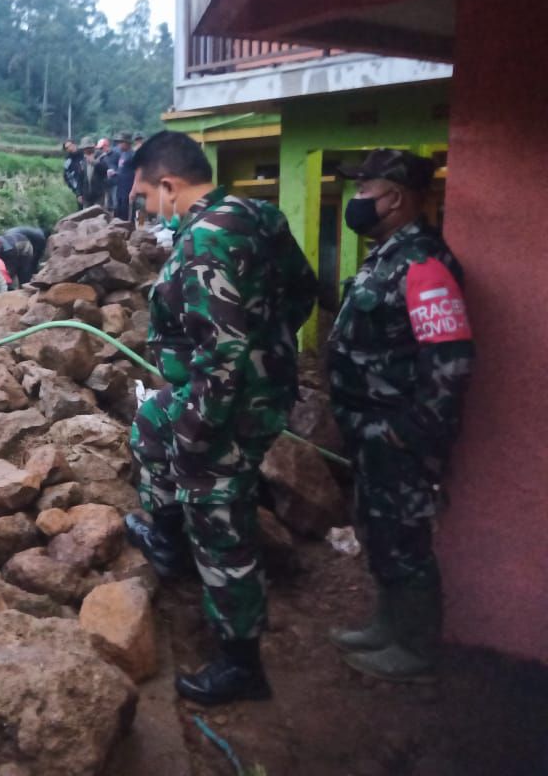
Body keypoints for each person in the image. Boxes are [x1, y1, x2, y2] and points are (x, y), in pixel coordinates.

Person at [125, 130, 317, 706]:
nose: (143, 208)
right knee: (150, 420)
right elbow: (303, 291)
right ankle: (167, 541)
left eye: (142, 197)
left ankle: (241, 664)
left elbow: (225, 353)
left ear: (168, 185)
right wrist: (273, 348)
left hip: (228, 405)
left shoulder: (206, 240)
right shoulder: (258, 216)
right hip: (254, 390)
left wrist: (197, 434)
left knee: (220, 520)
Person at [327, 149, 474, 682]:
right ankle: (386, 625)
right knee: (380, 531)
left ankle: (413, 648)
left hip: (398, 436)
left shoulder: (424, 265)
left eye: (363, 191)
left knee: (406, 539)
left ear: (394, 196)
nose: (356, 201)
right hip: (371, 432)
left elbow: (450, 361)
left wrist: (407, 432)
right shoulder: (389, 255)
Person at [78, 137, 107, 209]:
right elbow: (80, 178)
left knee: (98, 216)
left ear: (92, 147)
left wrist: (94, 162)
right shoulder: (82, 160)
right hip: (86, 195)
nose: (85, 150)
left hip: (98, 195)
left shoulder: (101, 156)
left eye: (87, 148)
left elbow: (105, 170)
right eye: (84, 148)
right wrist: (79, 194)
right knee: (86, 217)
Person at [113, 131, 136, 221]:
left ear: (127, 143)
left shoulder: (133, 155)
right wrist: (115, 173)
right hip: (120, 190)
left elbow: (138, 174)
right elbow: (123, 170)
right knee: (120, 215)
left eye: (120, 142)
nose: (118, 145)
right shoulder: (122, 154)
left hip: (129, 191)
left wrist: (133, 191)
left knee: (129, 217)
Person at [62, 139, 86, 207]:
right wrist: (76, 191)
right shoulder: (68, 160)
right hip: (79, 189)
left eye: (70, 145)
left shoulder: (84, 154)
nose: (70, 148)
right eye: (67, 147)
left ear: (74, 144)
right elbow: (67, 176)